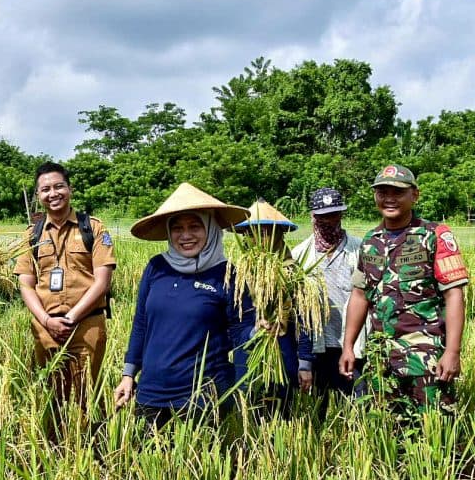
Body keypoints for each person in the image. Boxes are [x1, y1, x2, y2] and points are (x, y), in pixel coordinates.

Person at [113, 183, 254, 432]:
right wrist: (128, 374)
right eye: (177, 228)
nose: (185, 235)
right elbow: (141, 324)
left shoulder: (229, 275)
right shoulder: (157, 267)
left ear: (210, 229)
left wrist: (258, 332)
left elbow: (240, 332)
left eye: (194, 226)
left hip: (203, 395)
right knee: (149, 464)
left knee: (200, 465)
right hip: (152, 390)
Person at [340, 165, 468, 413]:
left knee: (433, 426)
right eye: (382, 192)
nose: (389, 198)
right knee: (387, 428)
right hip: (381, 354)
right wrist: (348, 346)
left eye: (397, 192)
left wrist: (452, 351)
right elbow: (359, 295)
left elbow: (454, 295)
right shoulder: (370, 241)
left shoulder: (434, 235)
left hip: (425, 354)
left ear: (414, 195)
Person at [14, 162, 115, 434]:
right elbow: (25, 283)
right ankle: (55, 449)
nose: (53, 193)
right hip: (46, 329)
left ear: (69, 189)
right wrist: (46, 320)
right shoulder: (31, 235)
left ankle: (91, 449)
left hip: (86, 325)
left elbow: (102, 281)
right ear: (38, 196)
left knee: (87, 395)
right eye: (45, 189)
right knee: (52, 396)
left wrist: (71, 317)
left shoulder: (92, 228)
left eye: (59, 186)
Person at [292, 188, 366, 402]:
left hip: (352, 343)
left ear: (341, 215)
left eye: (333, 214)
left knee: (357, 403)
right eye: (323, 216)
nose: (328, 220)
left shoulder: (359, 249)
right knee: (318, 405)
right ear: (313, 216)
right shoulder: (299, 255)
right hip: (317, 343)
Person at [233, 199, 302, 415]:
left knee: (283, 409)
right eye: (252, 233)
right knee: (248, 405)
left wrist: (306, 361)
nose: (259, 239)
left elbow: (306, 320)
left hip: (283, 350)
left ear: (279, 234)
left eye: (266, 232)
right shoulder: (237, 272)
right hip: (248, 350)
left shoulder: (292, 272)